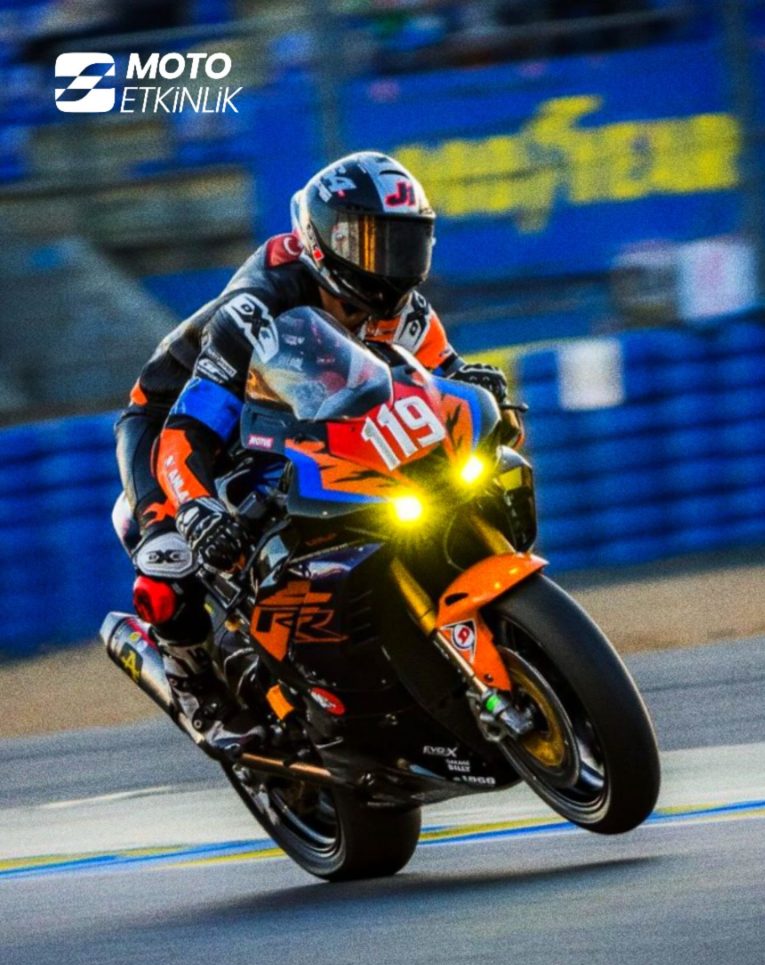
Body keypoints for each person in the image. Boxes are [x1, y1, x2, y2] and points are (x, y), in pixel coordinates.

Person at [113, 150, 508, 757]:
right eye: (372, 242)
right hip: (178, 417)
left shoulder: (401, 308)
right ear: (326, 240)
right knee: (171, 554)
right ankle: (195, 685)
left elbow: (437, 377)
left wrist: (473, 386)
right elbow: (189, 428)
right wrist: (193, 508)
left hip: (283, 404)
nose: (391, 263)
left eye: (405, 243)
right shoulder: (259, 304)